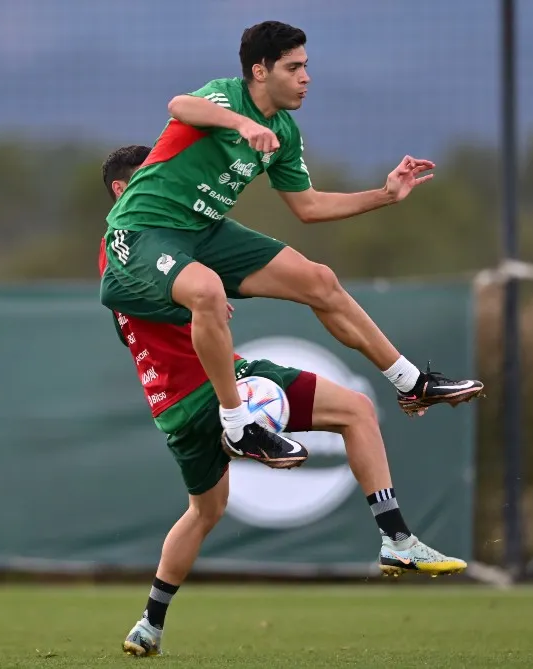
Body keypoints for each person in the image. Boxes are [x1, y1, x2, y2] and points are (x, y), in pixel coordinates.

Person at [100, 146, 467, 658]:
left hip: (176, 407)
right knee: (353, 411)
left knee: (206, 511)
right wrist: (190, 295)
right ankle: (394, 538)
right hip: (209, 388)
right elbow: (127, 296)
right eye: (152, 177)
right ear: (123, 191)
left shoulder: (171, 236)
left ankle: (150, 623)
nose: (167, 184)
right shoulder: (126, 247)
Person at [100, 20, 484, 468]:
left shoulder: (283, 133)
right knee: (207, 291)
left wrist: (385, 195)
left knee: (318, 280)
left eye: (306, 66)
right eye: (294, 67)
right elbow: (179, 104)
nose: (306, 78)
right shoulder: (226, 96)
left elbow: (310, 207)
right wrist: (241, 123)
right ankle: (239, 425)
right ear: (260, 72)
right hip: (142, 229)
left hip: (203, 230)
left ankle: (411, 382)